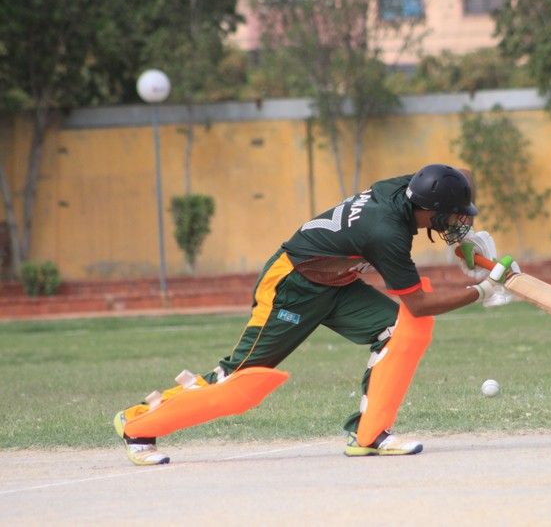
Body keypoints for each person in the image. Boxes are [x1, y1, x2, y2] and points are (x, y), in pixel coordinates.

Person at [113, 163, 516, 465]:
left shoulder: (410, 187)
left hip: (336, 281)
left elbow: (458, 176)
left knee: (400, 330)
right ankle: (138, 426)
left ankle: (370, 434)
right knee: (239, 382)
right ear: (428, 209)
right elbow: (420, 304)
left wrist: (464, 241)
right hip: (293, 285)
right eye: (453, 217)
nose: (458, 220)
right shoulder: (386, 233)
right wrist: (481, 290)